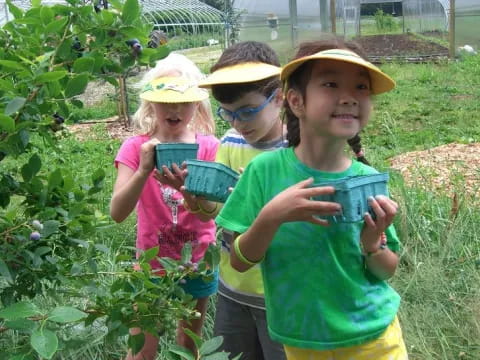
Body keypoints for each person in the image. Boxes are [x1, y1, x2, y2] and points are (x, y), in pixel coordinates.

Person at [216, 38, 408, 360]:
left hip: (375, 339)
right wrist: (271, 216)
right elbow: (239, 260)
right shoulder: (264, 171)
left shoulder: (366, 179)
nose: (348, 98)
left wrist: (373, 242)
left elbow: (386, 271)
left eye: (361, 87)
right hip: (301, 341)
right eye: (331, 84)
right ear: (295, 101)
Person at [110, 53, 220, 360]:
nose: (174, 108)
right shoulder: (134, 148)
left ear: (197, 103)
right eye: (165, 99)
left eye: (184, 100)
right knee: (142, 352)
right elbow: (117, 213)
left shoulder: (209, 147)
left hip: (198, 261)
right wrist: (144, 170)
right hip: (151, 265)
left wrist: (187, 192)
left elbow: (213, 211)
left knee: (188, 346)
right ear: (150, 103)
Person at [195, 41, 287, 359]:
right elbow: (214, 211)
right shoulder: (231, 142)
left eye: (248, 111)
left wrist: (259, 206)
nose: (238, 123)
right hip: (233, 288)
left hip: (281, 294)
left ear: (280, 98)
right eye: (228, 113)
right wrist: (195, 196)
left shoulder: (299, 152)